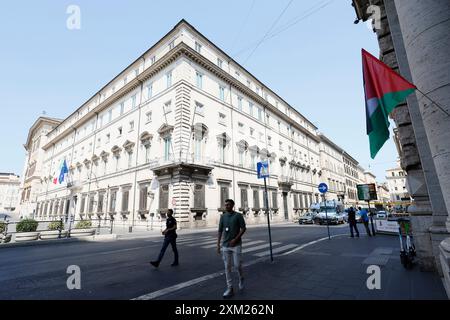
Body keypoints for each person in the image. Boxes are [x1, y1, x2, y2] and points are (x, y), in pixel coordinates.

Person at [217, 199, 246, 299]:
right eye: (225, 205)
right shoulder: (223, 216)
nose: (226, 206)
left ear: (233, 205)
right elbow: (220, 231)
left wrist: (235, 239)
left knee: (238, 265)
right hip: (225, 245)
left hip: (236, 245)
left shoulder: (238, 216)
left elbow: (243, 228)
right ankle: (230, 288)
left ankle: (241, 278)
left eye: (228, 205)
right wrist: (218, 245)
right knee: (227, 267)